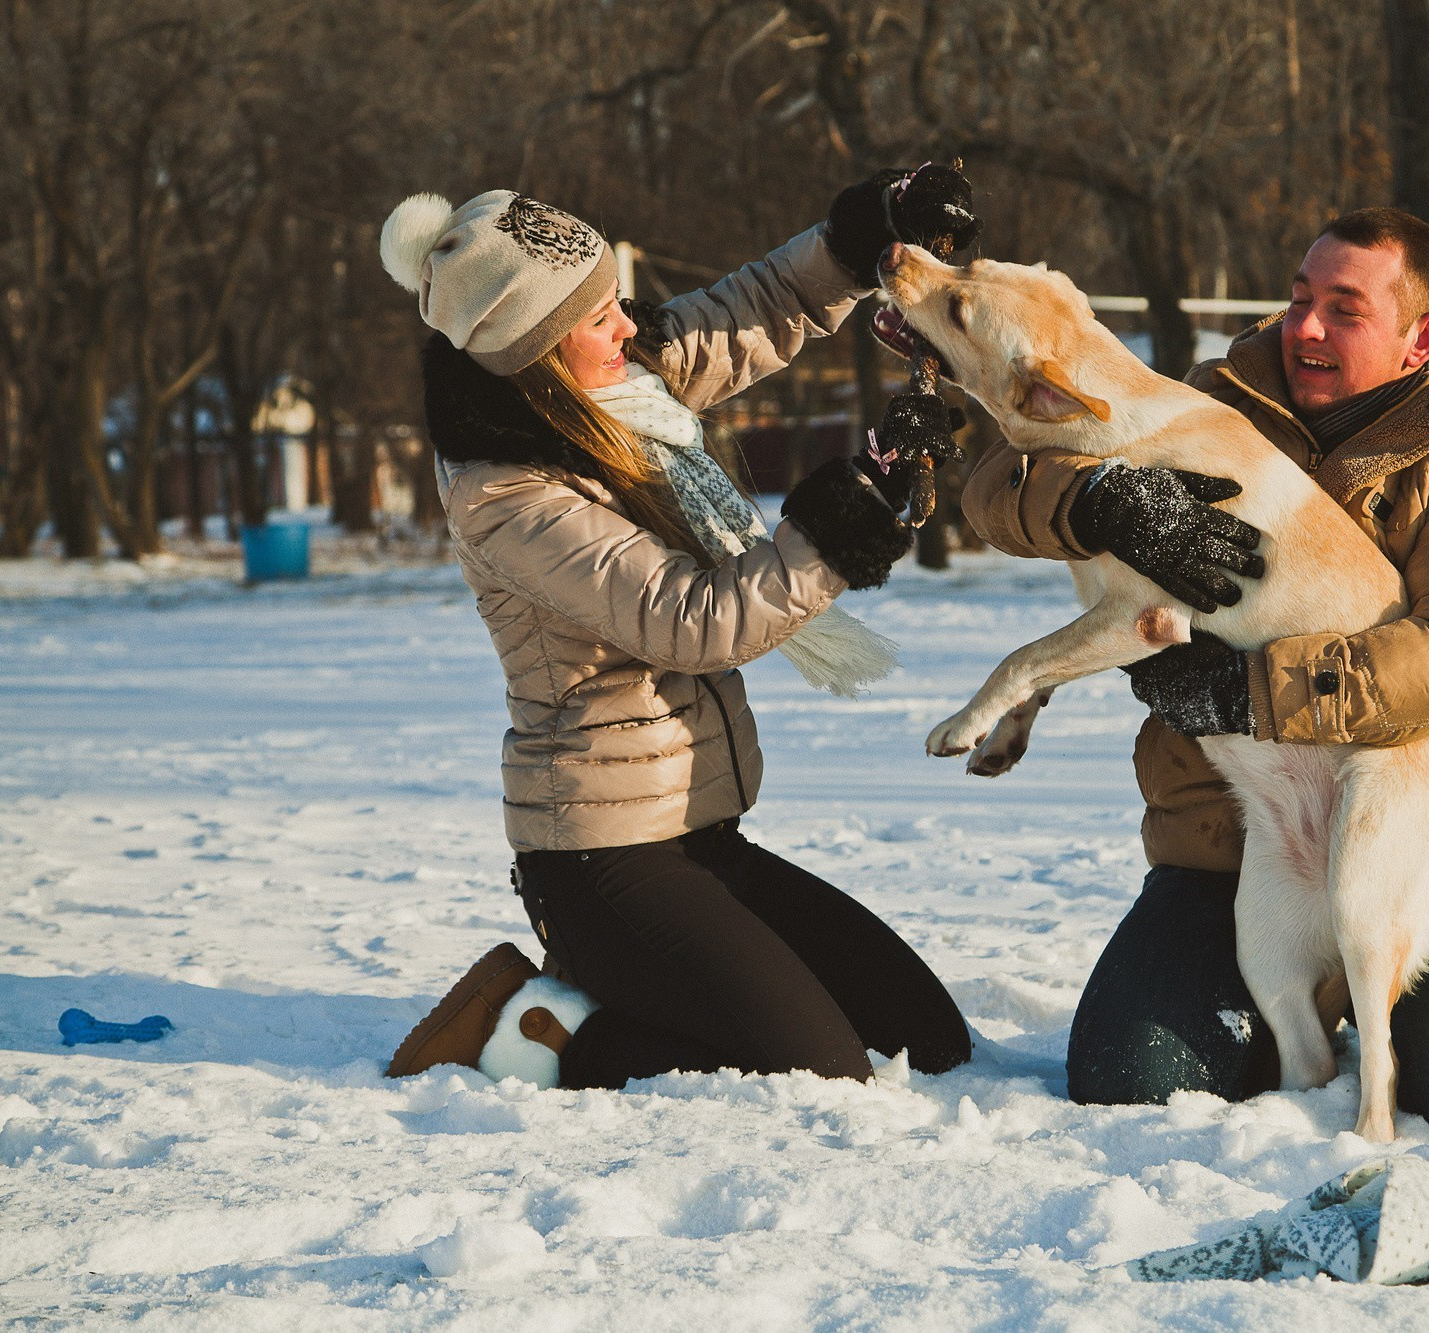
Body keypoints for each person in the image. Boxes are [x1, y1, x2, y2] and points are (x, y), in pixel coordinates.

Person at [960, 207, 1429, 1135]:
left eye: (1343, 308)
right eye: (1297, 298)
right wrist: (1091, 498)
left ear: (1423, 337)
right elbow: (993, 487)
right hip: (1225, 822)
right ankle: (1296, 1023)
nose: (1306, 327)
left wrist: (1251, 692)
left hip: (1399, 807)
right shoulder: (1211, 398)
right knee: (1130, 1077)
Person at [377, 172, 981, 1091]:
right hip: (600, 863)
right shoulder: (507, 493)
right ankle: (537, 1030)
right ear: (532, 350)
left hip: (699, 835)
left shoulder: (626, 389)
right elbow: (690, 620)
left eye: (614, 300)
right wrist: (841, 522)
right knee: (816, 1070)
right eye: (595, 318)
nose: (627, 324)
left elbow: (759, 305)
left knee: (924, 1037)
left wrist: (866, 235)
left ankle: (659, 989)